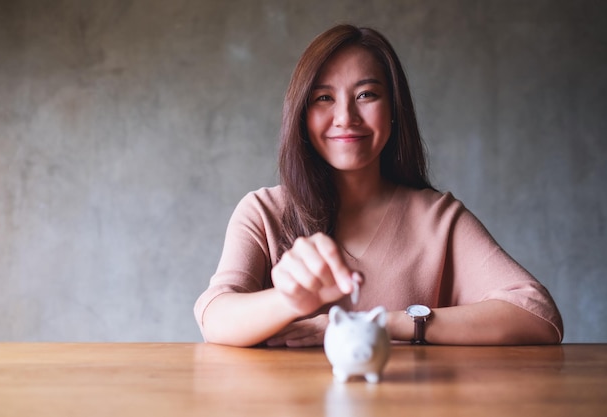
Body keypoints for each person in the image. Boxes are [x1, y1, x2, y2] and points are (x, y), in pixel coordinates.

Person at [194, 24, 563, 347]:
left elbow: (537, 314)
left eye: (366, 95)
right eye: (324, 98)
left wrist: (374, 324)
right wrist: (292, 301)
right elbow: (215, 317)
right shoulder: (263, 212)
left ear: (394, 111)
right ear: (301, 115)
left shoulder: (439, 218)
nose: (345, 117)